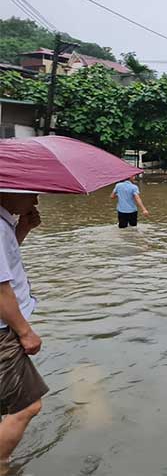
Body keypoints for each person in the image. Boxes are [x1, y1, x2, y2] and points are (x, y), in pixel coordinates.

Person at [0, 192, 48, 465]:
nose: (36, 202)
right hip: (3, 330)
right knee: (28, 405)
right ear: (8, 190)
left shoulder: (4, 224)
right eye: (31, 194)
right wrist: (25, 331)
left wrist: (22, 229)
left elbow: (4, 261)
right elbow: (0, 288)